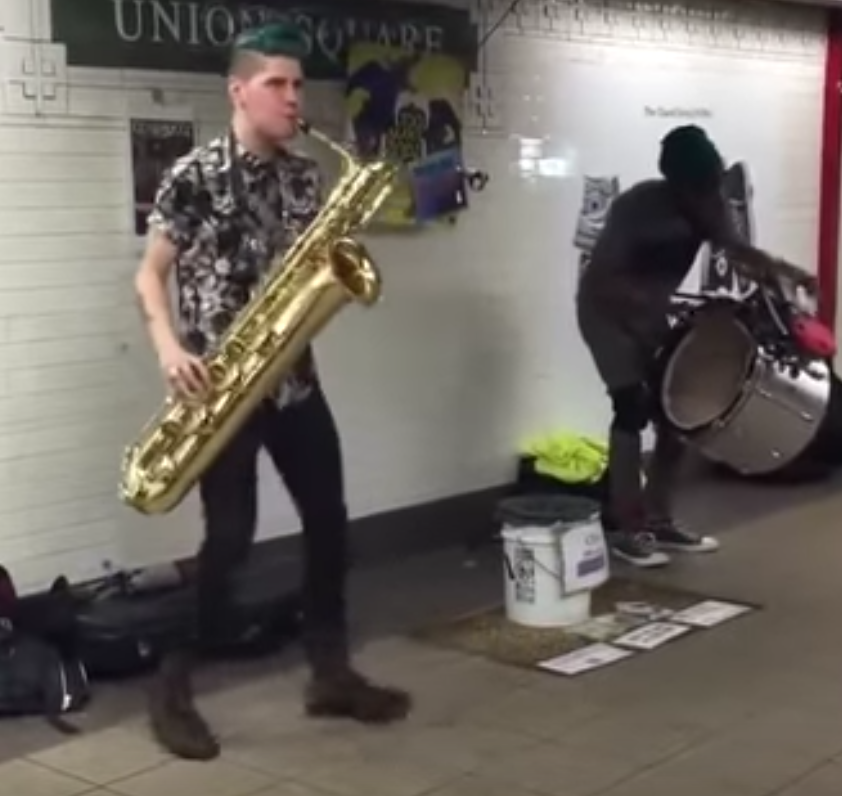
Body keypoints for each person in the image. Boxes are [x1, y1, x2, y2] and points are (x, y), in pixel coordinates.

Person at [133, 21, 411, 760]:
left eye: (298, 85)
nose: (295, 99)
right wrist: (168, 347)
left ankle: (330, 674)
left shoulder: (301, 175)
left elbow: (309, 268)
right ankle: (172, 687)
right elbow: (149, 274)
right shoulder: (192, 174)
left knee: (330, 521)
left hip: (293, 379)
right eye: (278, 85)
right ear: (239, 90)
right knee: (229, 541)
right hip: (221, 388)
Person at [576, 125, 816, 569]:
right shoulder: (637, 209)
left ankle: (660, 518)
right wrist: (657, 317)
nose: (708, 197)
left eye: (712, 185)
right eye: (699, 188)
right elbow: (605, 283)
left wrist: (786, 273)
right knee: (631, 407)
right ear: (675, 184)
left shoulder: (709, 201)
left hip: (653, 315)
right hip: (607, 316)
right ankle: (627, 528)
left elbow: (738, 250)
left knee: (679, 414)